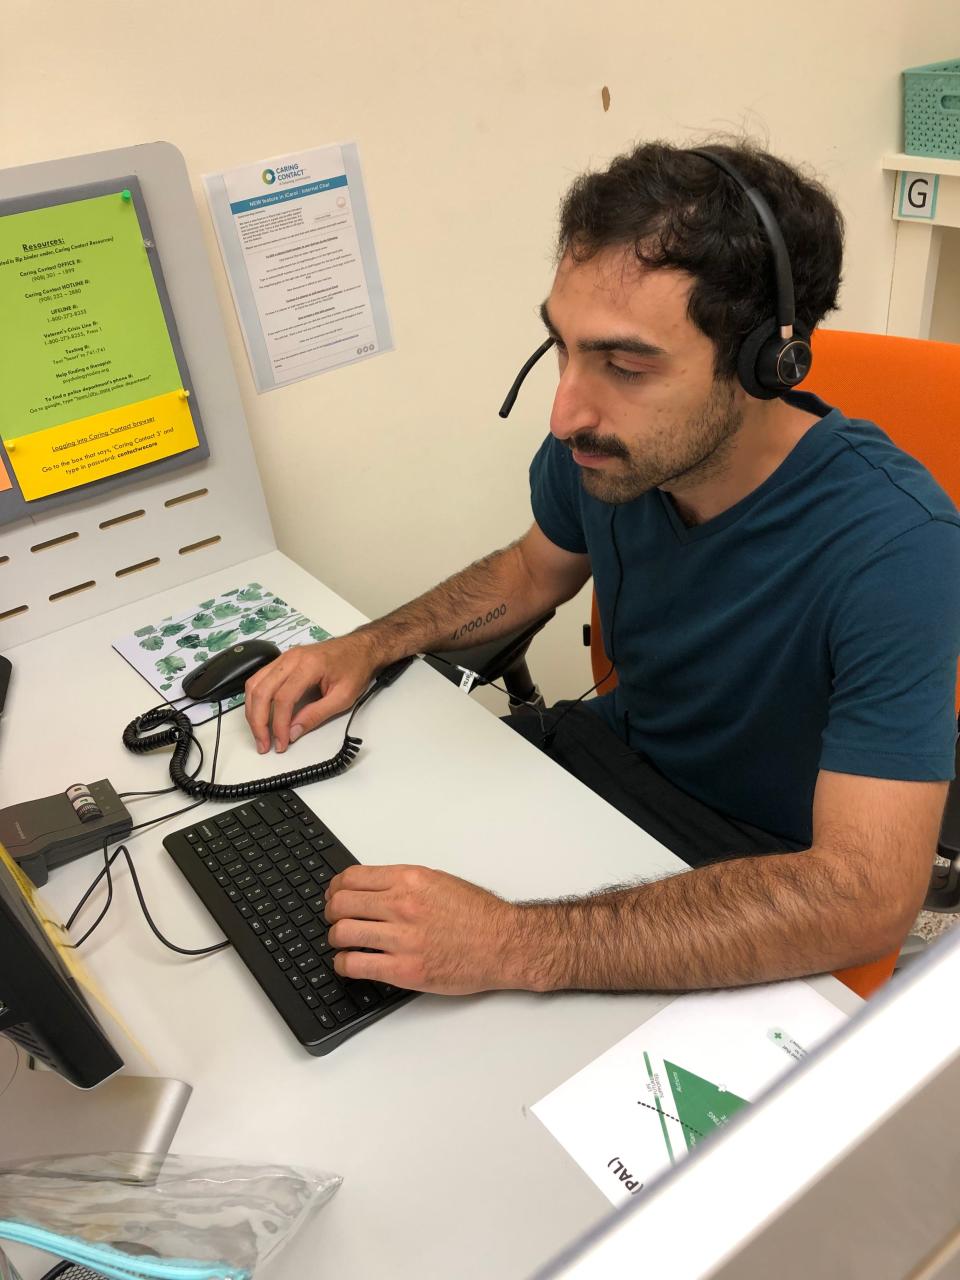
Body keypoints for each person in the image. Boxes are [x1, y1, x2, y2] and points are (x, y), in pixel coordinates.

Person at [244, 139, 960, 997]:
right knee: (313, 886)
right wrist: (369, 643)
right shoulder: (605, 454)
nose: (565, 410)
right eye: (563, 347)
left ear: (766, 365)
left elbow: (864, 899)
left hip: (758, 874)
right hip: (604, 773)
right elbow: (530, 572)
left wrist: (514, 946)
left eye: (624, 365)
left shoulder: (900, 547)